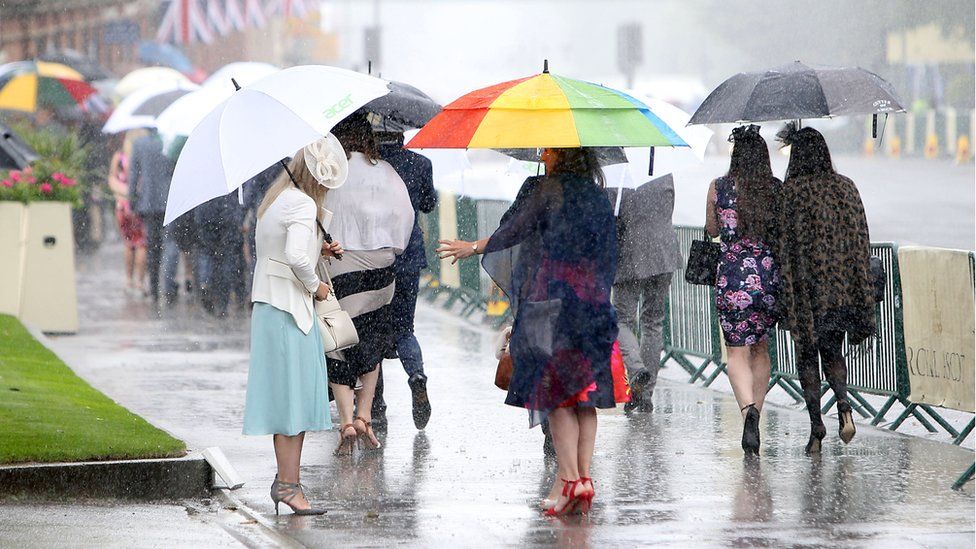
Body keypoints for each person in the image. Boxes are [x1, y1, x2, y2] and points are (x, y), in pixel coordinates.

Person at [481, 147, 618, 516]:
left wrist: (476, 246)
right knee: (585, 396)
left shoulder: (549, 190)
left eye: (550, 148)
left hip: (555, 303)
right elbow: (609, 255)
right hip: (593, 306)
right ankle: (585, 480)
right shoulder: (598, 196)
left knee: (555, 395)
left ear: (563, 154)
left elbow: (514, 230)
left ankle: (570, 480)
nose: (543, 153)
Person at [242, 137, 346, 515]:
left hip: (269, 305)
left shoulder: (275, 200)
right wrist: (317, 285)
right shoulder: (303, 203)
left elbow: (278, 249)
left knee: (284, 399)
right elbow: (295, 256)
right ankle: (288, 486)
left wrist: (318, 249)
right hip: (290, 310)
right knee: (296, 400)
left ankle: (285, 481)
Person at [773, 122, 875, 454]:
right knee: (833, 350)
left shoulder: (791, 193)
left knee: (806, 356)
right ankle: (844, 404)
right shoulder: (847, 187)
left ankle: (817, 425)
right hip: (842, 290)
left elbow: (782, 244)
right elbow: (861, 236)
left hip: (806, 292)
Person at [325, 114, 414, 454]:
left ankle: (347, 421)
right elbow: (404, 218)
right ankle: (365, 414)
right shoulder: (387, 172)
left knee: (339, 340)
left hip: (341, 263)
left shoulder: (332, 174)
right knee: (373, 338)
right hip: (382, 265)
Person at [704, 124, 781, 456]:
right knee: (761, 349)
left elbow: (711, 229)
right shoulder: (774, 189)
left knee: (735, 353)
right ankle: (757, 415)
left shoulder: (718, 187)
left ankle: (746, 410)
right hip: (767, 276)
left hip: (733, 276)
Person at [373, 132, 438, 430]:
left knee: (369, 329)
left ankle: (376, 409)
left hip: (376, 254)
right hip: (409, 256)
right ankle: (416, 376)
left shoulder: (371, 166)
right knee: (404, 327)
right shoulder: (420, 163)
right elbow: (428, 204)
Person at [609, 173, 682, 413]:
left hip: (630, 253)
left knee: (621, 319)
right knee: (653, 322)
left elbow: (612, 219)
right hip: (664, 252)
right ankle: (645, 393)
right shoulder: (664, 174)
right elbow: (667, 211)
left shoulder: (618, 177)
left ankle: (637, 368)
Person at [128, 129, 175, 303]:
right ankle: (169, 287)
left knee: (153, 246)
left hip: (148, 202)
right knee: (170, 244)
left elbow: (133, 174)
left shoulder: (139, 144)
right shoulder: (171, 142)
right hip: (169, 201)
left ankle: (154, 287)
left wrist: (132, 200)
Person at [194, 190, 246, 316]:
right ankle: (223, 302)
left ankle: (205, 283)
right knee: (227, 257)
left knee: (207, 253)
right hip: (228, 213)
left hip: (205, 212)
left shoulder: (200, 173)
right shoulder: (232, 172)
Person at [107, 132, 147, 294]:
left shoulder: (119, 157)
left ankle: (129, 280)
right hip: (138, 205)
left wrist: (121, 193)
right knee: (142, 243)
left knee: (128, 242)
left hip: (122, 206)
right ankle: (140, 281)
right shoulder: (140, 158)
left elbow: (111, 179)